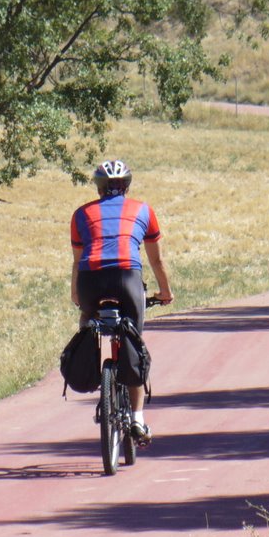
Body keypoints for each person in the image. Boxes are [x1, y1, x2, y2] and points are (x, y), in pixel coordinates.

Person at [70, 159, 173, 444]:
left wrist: (76, 294)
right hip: (128, 277)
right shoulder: (144, 210)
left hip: (90, 278)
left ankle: (93, 367)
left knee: (87, 326)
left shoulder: (81, 214)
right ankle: (138, 419)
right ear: (126, 185)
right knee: (134, 342)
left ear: (99, 187)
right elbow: (156, 259)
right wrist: (165, 291)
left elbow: (78, 261)